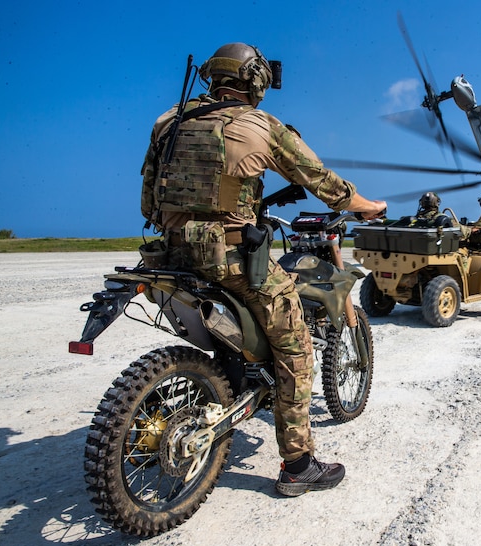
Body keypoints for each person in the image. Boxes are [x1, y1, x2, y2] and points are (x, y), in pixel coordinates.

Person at [140, 43, 387, 496]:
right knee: (295, 347)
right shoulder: (261, 126)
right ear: (255, 80)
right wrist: (368, 206)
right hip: (228, 261)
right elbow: (322, 182)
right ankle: (298, 464)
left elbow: (148, 201)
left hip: (167, 257)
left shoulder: (168, 122)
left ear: (213, 77)